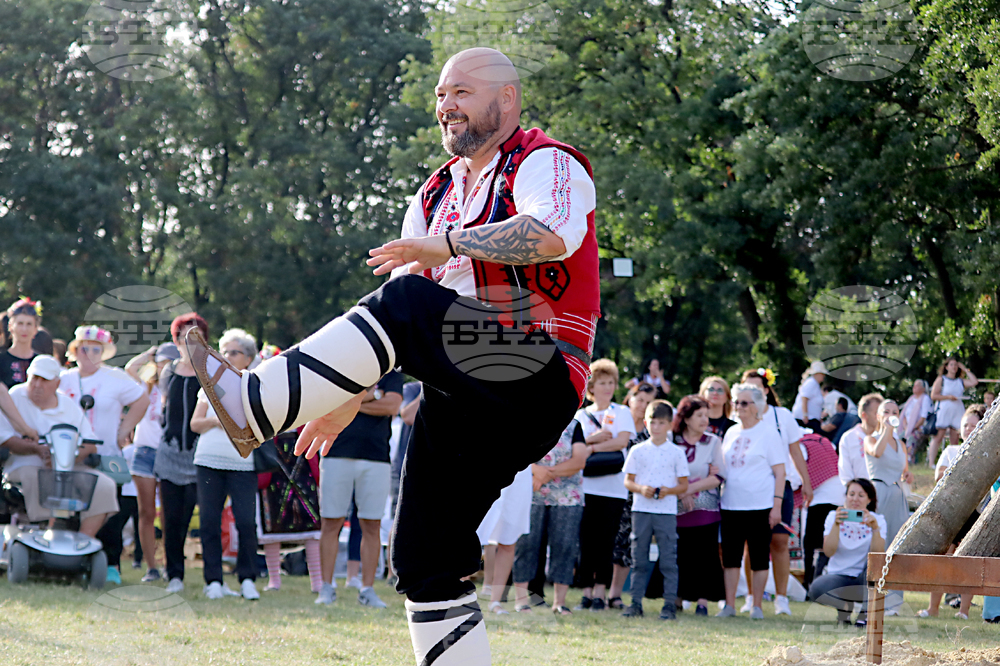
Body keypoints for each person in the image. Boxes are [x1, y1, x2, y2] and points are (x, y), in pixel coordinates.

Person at [186, 46, 598, 665]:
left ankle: (254, 403)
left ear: (506, 99)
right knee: (424, 560)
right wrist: (340, 398)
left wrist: (447, 245)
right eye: (439, 95)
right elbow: (395, 322)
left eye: (461, 91)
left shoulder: (546, 162)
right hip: (461, 390)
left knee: (407, 296)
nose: (445, 106)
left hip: (534, 370)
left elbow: (550, 234)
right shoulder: (434, 192)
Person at [59, 325, 150, 586]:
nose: (90, 354)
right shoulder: (64, 379)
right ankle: (71, 560)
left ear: (104, 352)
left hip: (108, 454)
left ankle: (111, 565)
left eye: (96, 349)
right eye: (84, 348)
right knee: (71, 508)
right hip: (71, 457)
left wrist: (124, 430)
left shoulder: (116, 377)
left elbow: (142, 400)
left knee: (113, 511)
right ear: (75, 350)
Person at [0, 356, 119, 536]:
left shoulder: (68, 405)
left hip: (67, 467)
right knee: (36, 477)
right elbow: (6, 439)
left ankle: (82, 543)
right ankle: (45, 534)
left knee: (104, 485)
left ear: (57, 383)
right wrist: (36, 450)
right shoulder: (15, 396)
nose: (38, 385)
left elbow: (90, 443)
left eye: (44, 380)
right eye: (35, 378)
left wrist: (65, 458)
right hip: (26, 463)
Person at [314, 369, 403, 607]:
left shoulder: (392, 372)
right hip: (335, 454)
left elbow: (393, 407)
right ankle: (326, 587)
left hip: (376, 458)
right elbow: (329, 403)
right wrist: (373, 397)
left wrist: (351, 404)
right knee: (331, 522)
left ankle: (367, 589)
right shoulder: (342, 365)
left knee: (371, 524)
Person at [190, 329, 263, 600]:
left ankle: (247, 579)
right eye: (224, 351)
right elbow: (195, 424)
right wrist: (215, 422)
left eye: (234, 352)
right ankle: (214, 581)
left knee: (246, 522)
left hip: (242, 463)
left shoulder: (256, 385)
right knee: (209, 521)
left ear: (248, 358)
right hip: (209, 461)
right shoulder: (209, 385)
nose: (227, 356)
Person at [740, 368, 810, 616]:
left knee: (780, 541)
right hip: (751, 487)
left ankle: (781, 598)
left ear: (767, 390)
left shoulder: (782, 416)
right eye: (746, 388)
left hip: (783, 485)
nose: (751, 394)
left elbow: (795, 450)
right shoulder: (739, 416)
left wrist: (807, 481)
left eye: (756, 388)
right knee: (751, 544)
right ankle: (750, 596)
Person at [716, 383, 786, 620]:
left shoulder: (769, 433)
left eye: (744, 402)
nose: (738, 407)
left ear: (758, 406)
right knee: (731, 557)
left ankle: (757, 606)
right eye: (736, 402)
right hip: (731, 504)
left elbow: (780, 473)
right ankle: (729, 605)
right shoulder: (731, 432)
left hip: (760, 505)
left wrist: (777, 505)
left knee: (758, 557)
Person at [574, 359, 634, 612]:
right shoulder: (580, 415)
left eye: (611, 382)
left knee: (606, 542)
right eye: (602, 383)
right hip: (584, 488)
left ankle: (601, 593)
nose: (608, 387)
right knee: (586, 542)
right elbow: (571, 447)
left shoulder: (622, 412)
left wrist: (592, 447)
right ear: (592, 387)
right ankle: (586, 592)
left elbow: (621, 442)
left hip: (613, 489)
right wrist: (595, 440)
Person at [621, 400, 689, 620]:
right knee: (638, 558)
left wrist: (667, 491)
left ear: (669, 424)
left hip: (666, 512)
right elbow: (628, 481)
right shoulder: (637, 450)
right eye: (652, 422)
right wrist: (641, 488)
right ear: (645, 422)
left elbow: (683, 485)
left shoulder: (676, 452)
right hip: (641, 510)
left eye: (661, 422)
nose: (656, 427)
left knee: (668, 559)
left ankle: (669, 605)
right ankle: (635, 603)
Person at [155, 313, 208, 595]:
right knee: (171, 519)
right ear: (175, 341)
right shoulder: (167, 371)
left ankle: (214, 576)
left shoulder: (212, 371)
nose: (189, 342)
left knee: (197, 517)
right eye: (183, 336)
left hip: (200, 455)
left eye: (196, 336)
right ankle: (174, 573)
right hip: (170, 454)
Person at [512, 420, 587, 615]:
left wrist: (546, 474)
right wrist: (536, 470)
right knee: (526, 545)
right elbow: (517, 451)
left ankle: (559, 603)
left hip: (568, 497)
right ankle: (521, 601)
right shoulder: (528, 420)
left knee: (565, 546)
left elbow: (579, 461)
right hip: (531, 494)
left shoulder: (574, 425)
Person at [918, 405, 986, 620]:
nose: (968, 428)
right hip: (949, 513)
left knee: (969, 561)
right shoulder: (950, 451)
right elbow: (940, 477)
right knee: (943, 559)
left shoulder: (987, 455)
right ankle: (933, 608)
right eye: (965, 424)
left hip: (974, 513)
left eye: (973, 425)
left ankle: (964, 611)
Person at [123, 342, 180, 582]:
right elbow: (130, 369)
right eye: (160, 360)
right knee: (146, 512)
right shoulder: (145, 387)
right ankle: (151, 566)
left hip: (169, 453)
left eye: (168, 361)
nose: (163, 365)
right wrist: (147, 354)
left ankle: (170, 564)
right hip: (145, 452)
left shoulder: (179, 387)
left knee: (169, 514)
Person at [807, 478, 886, 628]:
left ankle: (865, 615)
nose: (855, 499)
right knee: (816, 589)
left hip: (863, 577)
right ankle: (844, 609)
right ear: (845, 497)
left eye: (861, 495)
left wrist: (875, 529)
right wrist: (836, 525)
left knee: (874, 570)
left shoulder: (878, 520)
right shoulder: (833, 516)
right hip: (839, 576)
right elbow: (829, 552)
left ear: (869, 500)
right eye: (851, 494)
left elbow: (878, 556)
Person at [672, 395, 725, 615]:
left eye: (706, 414)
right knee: (680, 554)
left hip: (706, 509)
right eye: (699, 415)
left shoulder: (713, 441)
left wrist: (688, 489)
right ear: (686, 418)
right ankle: (677, 596)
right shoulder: (671, 440)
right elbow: (666, 470)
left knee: (706, 555)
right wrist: (681, 491)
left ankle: (702, 601)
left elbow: (719, 476)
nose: (705, 419)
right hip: (676, 508)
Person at [607, 382, 657, 609]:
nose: (642, 406)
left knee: (625, 544)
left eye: (648, 402)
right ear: (630, 399)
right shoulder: (617, 422)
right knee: (605, 540)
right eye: (640, 400)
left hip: (633, 495)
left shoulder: (650, 434)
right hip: (607, 489)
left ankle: (615, 593)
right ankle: (596, 590)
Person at [477, 464, 532, 614]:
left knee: (508, 540)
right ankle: (456, 598)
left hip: (519, 473)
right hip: (485, 467)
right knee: (470, 534)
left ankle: (495, 601)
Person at [796, 431, 843, 587]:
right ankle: (824, 582)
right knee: (829, 543)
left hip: (819, 500)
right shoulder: (825, 441)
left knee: (810, 546)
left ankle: (809, 584)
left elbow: (796, 478)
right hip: (839, 497)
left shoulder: (800, 446)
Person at [928, 357, 978, 468]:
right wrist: (948, 397)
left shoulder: (960, 381)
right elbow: (934, 395)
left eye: (956, 365)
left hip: (957, 410)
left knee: (954, 437)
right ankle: (931, 462)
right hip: (944, 410)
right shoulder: (942, 379)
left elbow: (974, 382)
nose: (954, 367)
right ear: (946, 367)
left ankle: (953, 462)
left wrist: (965, 369)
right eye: (951, 365)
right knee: (939, 436)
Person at [0, 298, 41, 387]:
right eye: (20, 323)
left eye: (29, 324)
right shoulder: (1, 360)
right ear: (10, 326)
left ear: (35, 329)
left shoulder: (40, 362)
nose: (24, 329)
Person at [898, 379, 932, 462]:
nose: (914, 387)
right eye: (914, 385)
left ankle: (909, 461)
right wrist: (906, 426)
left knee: (911, 438)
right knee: (898, 438)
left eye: (917, 386)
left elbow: (923, 418)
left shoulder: (925, 399)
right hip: (907, 428)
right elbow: (905, 415)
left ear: (923, 388)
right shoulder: (911, 399)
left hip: (919, 428)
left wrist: (913, 427)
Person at [792, 360, 827, 431]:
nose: (824, 376)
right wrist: (805, 415)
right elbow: (804, 398)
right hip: (807, 420)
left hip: (812, 419)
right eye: (822, 373)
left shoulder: (815, 384)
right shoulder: (811, 383)